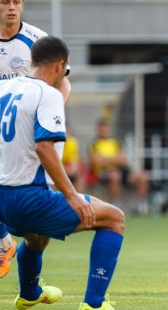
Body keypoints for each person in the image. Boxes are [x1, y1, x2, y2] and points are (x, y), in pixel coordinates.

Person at [0, 36, 124, 310]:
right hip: (27, 198)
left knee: (36, 237)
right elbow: (44, 147)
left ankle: (30, 294)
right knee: (114, 219)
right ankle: (94, 304)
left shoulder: (4, 87)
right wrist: (73, 196)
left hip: (2, 200)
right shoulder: (48, 94)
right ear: (59, 66)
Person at [0, 0, 71, 278]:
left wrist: (48, 114)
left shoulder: (36, 41)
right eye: (5, 2)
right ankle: (5, 240)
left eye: (16, 1)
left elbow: (63, 83)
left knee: (37, 233)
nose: (12, 7)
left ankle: (30, 286)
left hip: (27, 132)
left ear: (23, 5)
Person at [88, 118, 150, 215]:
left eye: (105, 128)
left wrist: (106, 159)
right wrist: (114, 159)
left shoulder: (115, 142)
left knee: (143, 176)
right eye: (101, 128)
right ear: (98, 129)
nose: (103, 130)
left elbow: (123, 159)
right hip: (104, 173)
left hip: (123, 170)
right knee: (115, 175)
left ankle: (142, 206)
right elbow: (97, 163)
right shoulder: (94, 144)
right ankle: (116, 205)